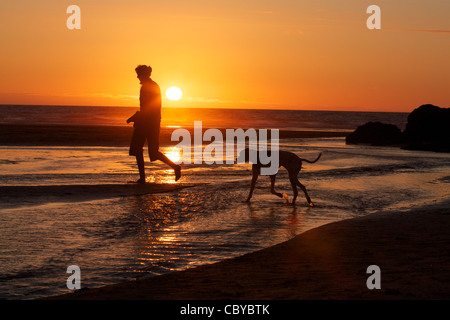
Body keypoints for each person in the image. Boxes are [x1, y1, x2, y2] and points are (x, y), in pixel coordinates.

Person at [128, 65, 181, 183]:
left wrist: (137, 117)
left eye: (139, 74)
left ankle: (175, 167)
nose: (137, 77)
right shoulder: (151, 86)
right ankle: (143, 178)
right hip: (150, 122)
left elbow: (149, 107)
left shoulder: (150, 87)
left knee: (149, 152)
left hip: (148, 123)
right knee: (141, 150)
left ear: (144, 74)